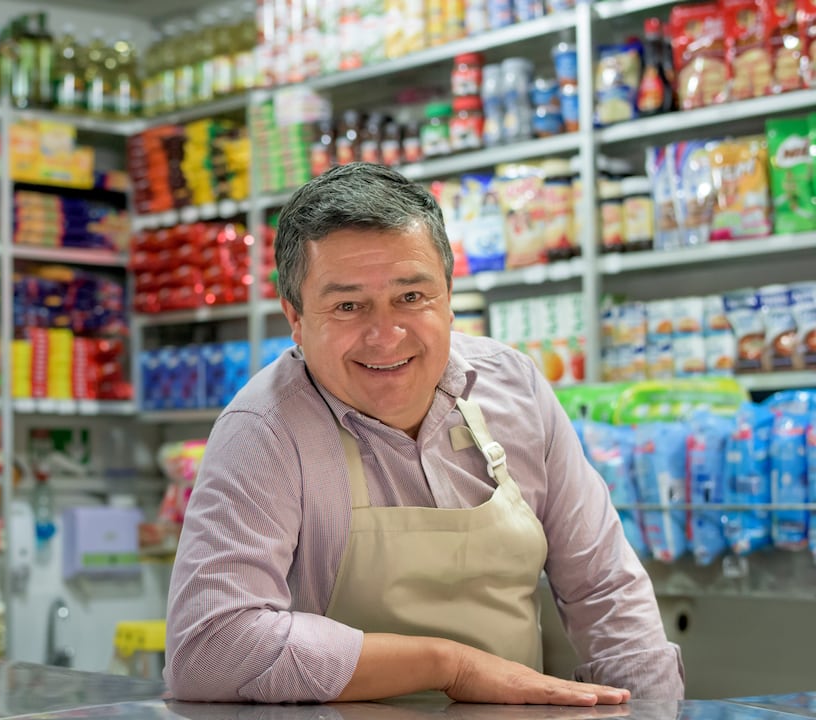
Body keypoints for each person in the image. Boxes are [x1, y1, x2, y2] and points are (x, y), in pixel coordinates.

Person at [164, 163, 684, 705]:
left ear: (450, 294)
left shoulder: (516, 388)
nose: (385, 336)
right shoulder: (265, 431)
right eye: (348, 305)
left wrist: (653, 712)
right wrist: (449, 666)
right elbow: (210, 646)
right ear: (295, 318)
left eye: (412, 297)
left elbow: (604, 589)